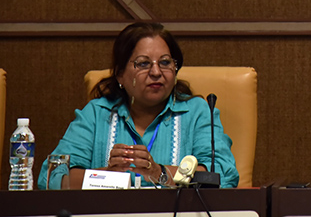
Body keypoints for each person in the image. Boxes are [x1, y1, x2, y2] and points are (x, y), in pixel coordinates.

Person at [38, 22, 239, 189]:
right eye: (143, 64)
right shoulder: (97, 114)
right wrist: (106, 177)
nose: (156, 72)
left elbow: (223, 174)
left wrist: (158, 172)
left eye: (165, 62)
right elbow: (52, 177)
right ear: (120, 75)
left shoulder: (197, 112)